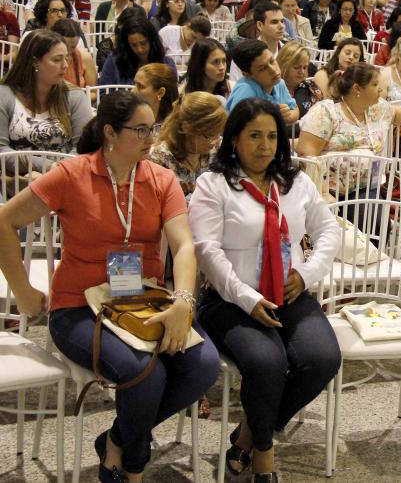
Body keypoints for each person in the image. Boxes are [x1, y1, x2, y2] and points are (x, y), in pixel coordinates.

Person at [0, 89, 219, 481]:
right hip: (77, 307)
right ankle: (129, 469)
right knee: (146, 374)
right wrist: (23, 293)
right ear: (109, 134)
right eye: (140, 130)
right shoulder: (72, 174)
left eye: (153, 127)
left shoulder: (161, 179)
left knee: (202, 367)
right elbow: (4, 220)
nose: (152, 137)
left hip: (141, 302)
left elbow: (184, 245)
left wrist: (184, 302)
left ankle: (116, 440)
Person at [190, 98, 341, 482]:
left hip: (287, 292)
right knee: (267, 363)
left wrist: (305, 275)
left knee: (322, 358)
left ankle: (247, 436)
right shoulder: (214, 184)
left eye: (272, 136)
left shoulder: (296, 181)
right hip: (229, 300)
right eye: (254, 135)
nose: (264, 145)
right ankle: (264, 456)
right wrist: (247, 297)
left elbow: (329, 231)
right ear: (234, 140)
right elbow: (206, 250)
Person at [295, 62, 401, 160]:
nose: (381, 89)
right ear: (357, 89)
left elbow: (395, 113)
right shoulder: (325, 112)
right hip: (333, 194)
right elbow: (306, 155)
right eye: (375, 84)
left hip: (371, 189)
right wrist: (322, 192)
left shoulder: (376, 109)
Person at [0, 30, 93, 164]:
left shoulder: (74, 95)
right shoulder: (4, 94)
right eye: (57, 59)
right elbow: (1, 150)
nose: (65, 66)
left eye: (66, 58)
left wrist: (55, 172)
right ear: (35, 62)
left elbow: (84, 148)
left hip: (65, 178)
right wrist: (45, 166)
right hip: (16, 180)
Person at [150, 91, 227, 195]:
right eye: (209, 135)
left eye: (218, 133)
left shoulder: (216, 150)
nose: (216, 141)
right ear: (185, 127)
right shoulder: (160, 158)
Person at [225, 39, 296, 125]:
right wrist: (274, 116)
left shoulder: (279, 83)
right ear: (247, 74)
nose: (273, 70)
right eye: (262, 68)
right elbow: (239, 126)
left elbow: (295, 108)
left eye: (272, 61)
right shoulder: (245, 90)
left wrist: (289, 116)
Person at [99, 14, 177, 86]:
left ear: (152, 40)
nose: (139, 49)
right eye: (133, 45)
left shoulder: (167, 63)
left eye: (143, 43)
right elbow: (103, 93)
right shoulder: (114, 60)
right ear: (127, 44)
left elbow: (172, 95)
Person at [182, 37, 232, 104]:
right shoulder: (183, 94)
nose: (222, 67)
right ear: (200, 64)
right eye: (215, 62)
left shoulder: (231, 89)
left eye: (224, 61)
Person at [51, 19, 98, 88]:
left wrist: (76, 97)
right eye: (65, 47)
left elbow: (93, 92)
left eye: (73, 47)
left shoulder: (84, 58)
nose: (68, 52)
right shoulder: (47, 60)